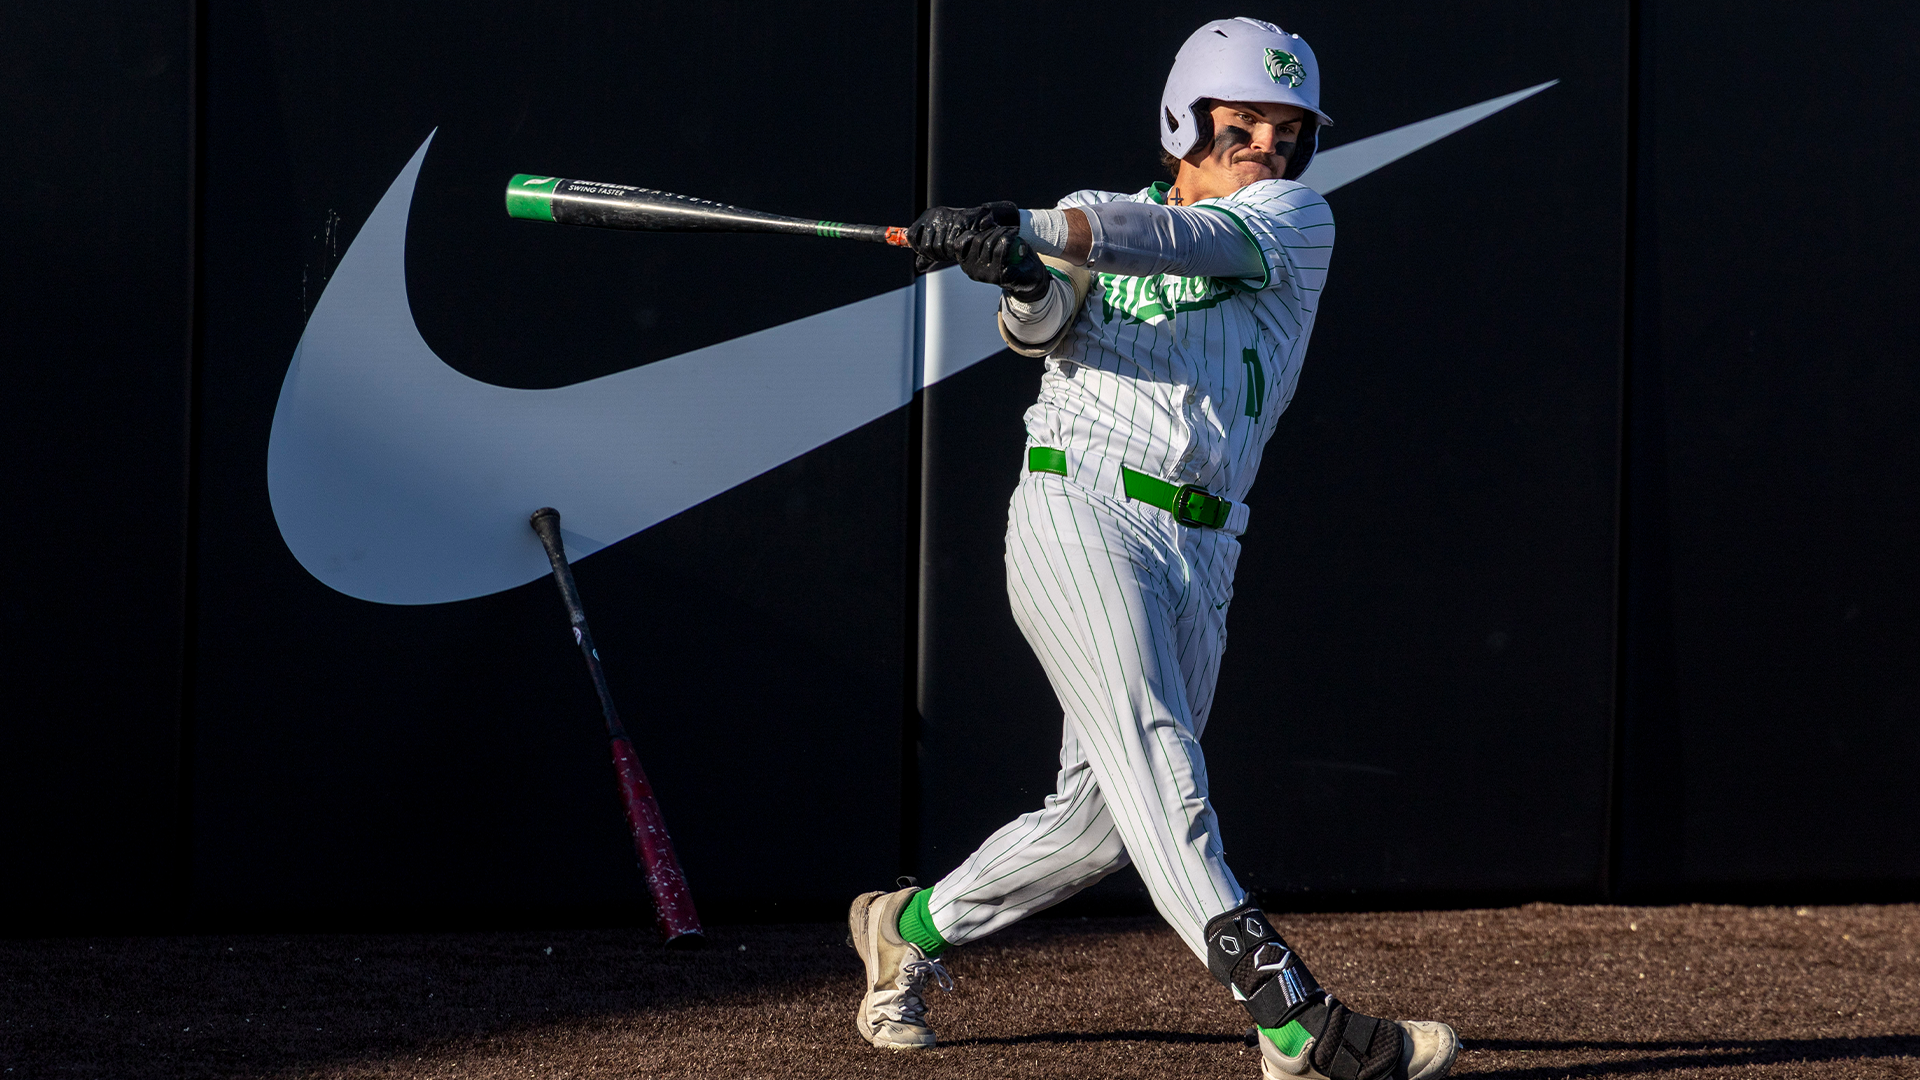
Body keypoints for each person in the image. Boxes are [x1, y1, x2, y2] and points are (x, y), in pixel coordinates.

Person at [849, 17, 1458, 1080]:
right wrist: (1014, 269)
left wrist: (1033, 224)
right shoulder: (1096, 228)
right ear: (1186, 119)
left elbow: (1175, 240)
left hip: (1206, 547)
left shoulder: (1290, 221)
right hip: (1079, 510)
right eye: (1244, 123)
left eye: (1288, 129)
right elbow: (1041, 330)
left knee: (1098, 826)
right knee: (1162, 760)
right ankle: (1288, 1018)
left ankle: (911, 927)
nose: (1268, 144)